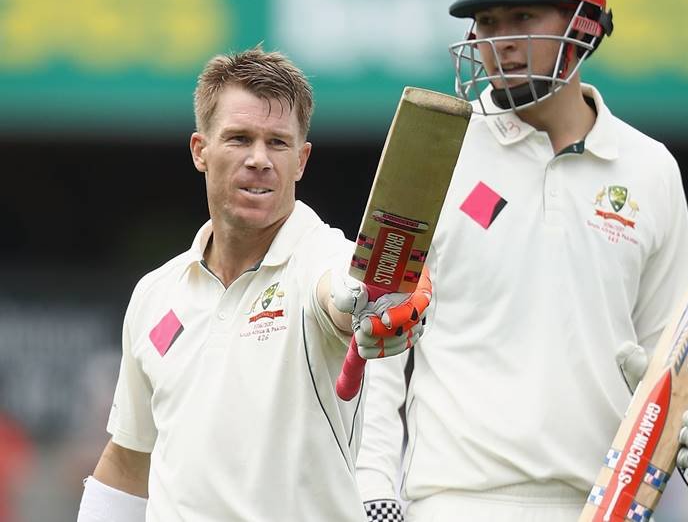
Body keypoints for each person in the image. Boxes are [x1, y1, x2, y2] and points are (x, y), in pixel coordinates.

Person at [356, 0, 688, 520]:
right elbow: (376, 335)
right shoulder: (431, 148)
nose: (501, 41)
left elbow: (666, 359)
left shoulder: (650, 170)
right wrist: (374, 486)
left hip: (602, 503)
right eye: (487, 22)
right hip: (454, 502)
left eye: (523, 18)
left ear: (582, 24)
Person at [75, 46, 428, 522]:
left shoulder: (323, 258)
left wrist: (367, 308)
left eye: (278, 143)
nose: (259, 159)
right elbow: (128, 459)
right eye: (239, 138)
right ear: (201, 150)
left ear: (301, 160)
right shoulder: (155, 293)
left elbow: (342, 295)